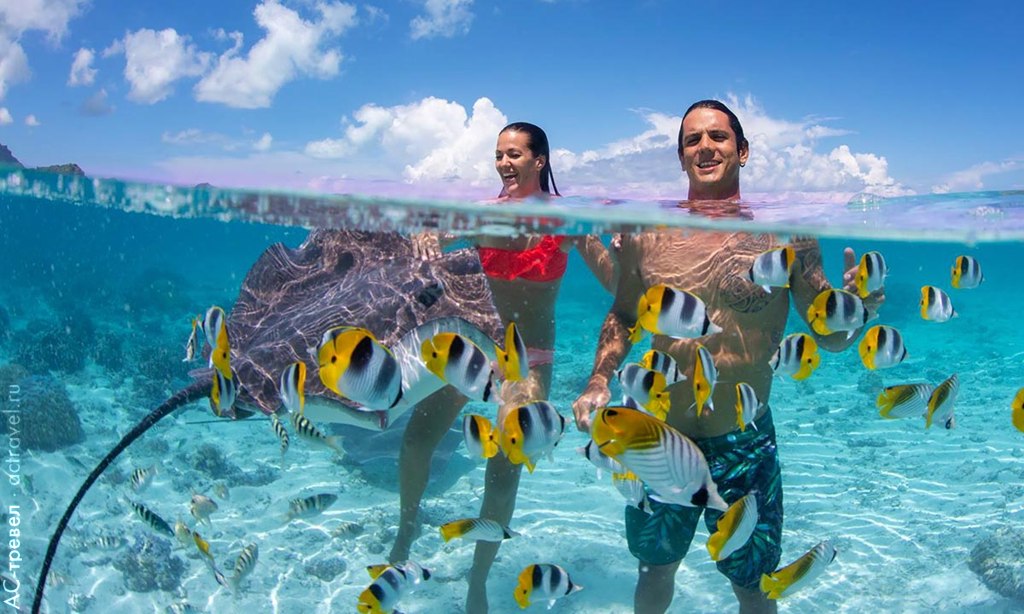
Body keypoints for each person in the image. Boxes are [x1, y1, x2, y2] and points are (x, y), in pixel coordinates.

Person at [571, 100, 883, 614]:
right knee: (653, 572)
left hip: (743, 439)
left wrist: (857, 314)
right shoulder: (650, 234)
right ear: (680, 156)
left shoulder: (786, 237)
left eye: (717, 137)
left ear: (742, 150)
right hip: (657, 436)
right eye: (692, 140)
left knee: (754, 584)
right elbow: (625, 315)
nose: (705, 147)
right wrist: (599, 378)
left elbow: (827, 337)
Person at [391, 121, 619, 613]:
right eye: (499, 154)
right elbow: (432, 234)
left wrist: (610, 244)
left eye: (514, 154)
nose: (503, 163)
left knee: (504, 466)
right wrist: (426, 231)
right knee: (416, 441)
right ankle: (406, 526)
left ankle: (477, 580)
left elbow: (614, 284)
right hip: (474, 346)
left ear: (540, 160)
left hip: (530, 357)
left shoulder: (565, 219)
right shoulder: (482, 214)